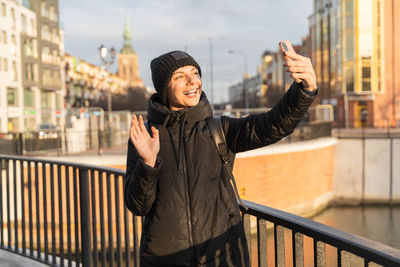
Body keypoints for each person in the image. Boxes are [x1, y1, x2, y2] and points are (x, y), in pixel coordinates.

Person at [124, 44, 317, 266]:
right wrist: (148, 163)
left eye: (195, 73)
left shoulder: (219, 130)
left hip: (221, 258)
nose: (192, 81)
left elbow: (272, 125)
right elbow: (138, 206)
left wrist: (305, 89)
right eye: (180, 76)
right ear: (163, 88)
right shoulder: (145, 136)